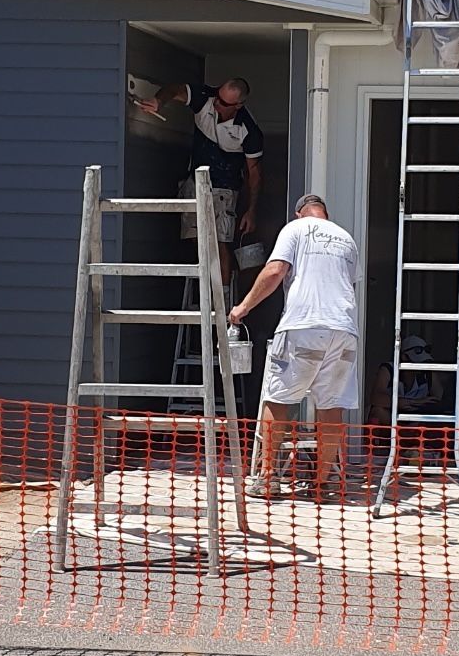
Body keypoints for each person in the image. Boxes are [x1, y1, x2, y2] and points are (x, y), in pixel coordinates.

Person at [228, 194, 358, 497]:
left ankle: (268, 477)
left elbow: (275, 271)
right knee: (331, 405)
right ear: (325, 213)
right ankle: (323, 483)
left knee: (279, 398)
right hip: (343, 329)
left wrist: (243, 308)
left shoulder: (296, 229)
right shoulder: (347, 238)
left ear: (300, 213)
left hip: (304, 326)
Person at [138, 77, 263, 286]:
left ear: (238, 106)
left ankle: (220, 303)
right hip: (195, 182)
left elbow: (255, 173)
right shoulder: (206, 98)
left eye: (223, 103)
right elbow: (175, 87)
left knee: (220, 243)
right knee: (197, 240)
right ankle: (206, 292)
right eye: (217, 97)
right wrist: (159, 101)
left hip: (225, 187)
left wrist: (251, 210)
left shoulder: (248, 130)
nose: (216, 104)